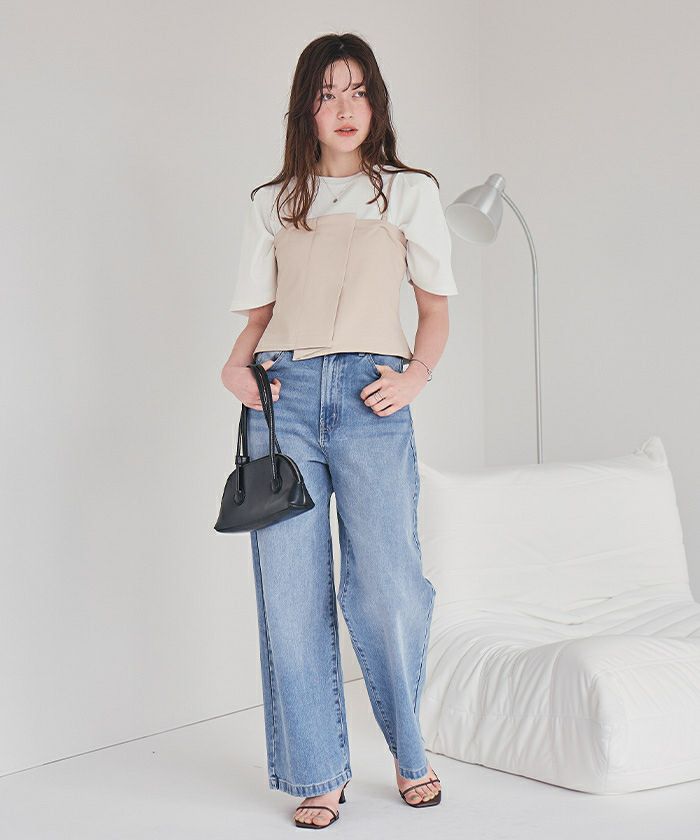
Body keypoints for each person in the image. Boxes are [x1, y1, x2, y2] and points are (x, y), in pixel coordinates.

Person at [221, 33, 458, 829]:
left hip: (370, 400)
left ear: (376, 103)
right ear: (307, 109)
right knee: (290, 596)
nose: (344, 108)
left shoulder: (408, 192)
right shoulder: (273, 201)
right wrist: (235, 371)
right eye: (327, 93)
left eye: (357, 91)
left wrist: (416, 376)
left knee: (389, 589)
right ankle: (318, 773)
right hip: (282, 402)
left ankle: (411, 751)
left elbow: (435, 310)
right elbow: (257, 319)